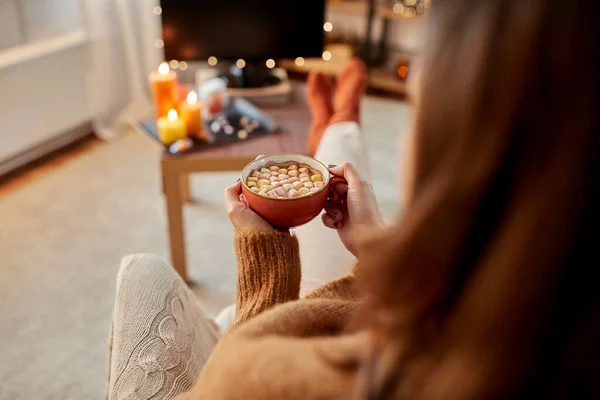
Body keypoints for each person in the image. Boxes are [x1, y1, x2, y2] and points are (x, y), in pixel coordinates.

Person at [109, 0, 600, 398]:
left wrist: (268, 260)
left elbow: (239, 369)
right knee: (337, 163)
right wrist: (376, 247)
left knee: (141, 269)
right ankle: (339, 117)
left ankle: (338, 122)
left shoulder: (288, 380)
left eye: (417, 112)